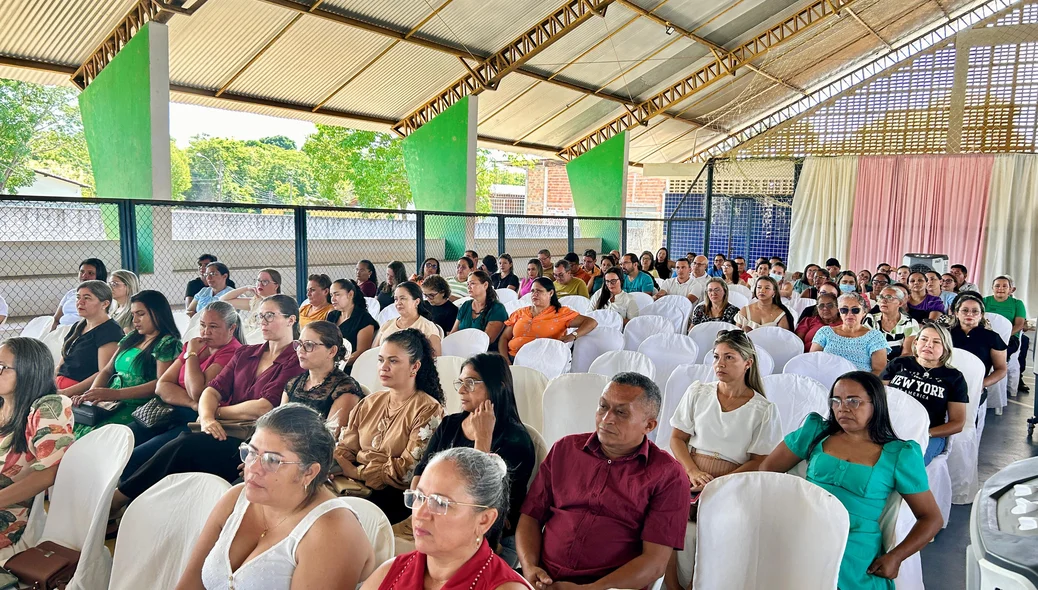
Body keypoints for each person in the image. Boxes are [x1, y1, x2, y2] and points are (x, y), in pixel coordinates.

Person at [113, 294, 305, 508]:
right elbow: (211, 391)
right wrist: (205, 417)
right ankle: (138, 505)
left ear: (291, 320)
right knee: (169, 445)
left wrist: (216, 413)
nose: (263, 322)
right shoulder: (247, 353)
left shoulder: (296, 359)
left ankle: (120, 499)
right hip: (221, 429)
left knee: (183, 446)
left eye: (270, 315)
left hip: (253, 440)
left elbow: (263, 407)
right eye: (260, 316)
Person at [760, 372, 943, 590]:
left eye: (853, 401)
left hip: (854, 548)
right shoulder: (817, 432)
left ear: (876, 404)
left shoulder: (899, 454)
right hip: (805, 532)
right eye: (836, 401)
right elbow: (768, 472)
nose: (842, 408)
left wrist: (896, 556)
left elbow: (931, 518)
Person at [517, 373, 688, 589]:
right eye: (603, 407)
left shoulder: (667, 475)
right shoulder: (565, 449)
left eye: (621, 412)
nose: (606, 419)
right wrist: (530, 568)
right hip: (543, 579)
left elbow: (654, 563)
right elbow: (530, 516)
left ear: (649, 425)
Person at [177, 403, 375, 590]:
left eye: (272, 460)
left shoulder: (333, 530)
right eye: (251, 452)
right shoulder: (236, 498)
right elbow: (188, 585)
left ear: (309, 472)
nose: (252, 468)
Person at [665, 330, 782, 588]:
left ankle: (702, 583)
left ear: (747, 362)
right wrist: (693, 471)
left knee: (715, 526)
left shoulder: (762, 409)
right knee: (663, 516)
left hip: (734, 480)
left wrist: (719, 483)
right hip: (690, 472)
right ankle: (671, 584)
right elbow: (677, 439)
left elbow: (759, 461)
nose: (720, 364)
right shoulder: (698, 392)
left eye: (730, 357)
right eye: (717, 357)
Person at [405, 354, 535, 560]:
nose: (462, 390)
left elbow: (486, 504)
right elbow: (422, 472)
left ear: (498, 387)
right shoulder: (450, 424)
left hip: (489, 536)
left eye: (471, 383)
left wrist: (483, 439)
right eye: (461, 382)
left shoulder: (516, 440)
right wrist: (420, 507)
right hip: (433, 518)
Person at [362, 448, 528, 590]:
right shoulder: (392, 572)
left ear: (484, 520)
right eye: (419, 497)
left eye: (440, 503)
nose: (420, 513)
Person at [121, 301, 243, 481]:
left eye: (213, 327)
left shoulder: (231, 352)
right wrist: (195, 404)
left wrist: (192, 356)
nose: (205, 332)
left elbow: (198, 391)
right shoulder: (194, 345)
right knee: (121, 446)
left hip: (193, 420)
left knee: (137, 457)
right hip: (171, 411)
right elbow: (162, 386)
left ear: (231, 328)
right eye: (202, 325)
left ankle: (126, 502)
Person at [336, 329, 445, 523]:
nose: (383, 367)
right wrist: (339, 463)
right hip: (353, 486)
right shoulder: (370, 402)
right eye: (380, 360)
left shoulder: (428, 409)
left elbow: (409, 471)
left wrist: (356, 471)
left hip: (395, 497)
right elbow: (346, 449)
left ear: (415, 367)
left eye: (393, 361)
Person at [0, 338, 75, 562]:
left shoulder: (49, 407)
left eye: (2, 367)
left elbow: (50, 472)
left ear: (28, 370)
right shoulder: (3, 406)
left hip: (10, 513)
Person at [72, 290, 182, 436]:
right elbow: (107, 370)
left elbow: (161, 384)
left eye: (141, 314)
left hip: (137, 407)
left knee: (96, 436)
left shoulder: (166, 344)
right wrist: (90, 395)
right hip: (110, 402)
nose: (135, 320)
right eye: (133, 314)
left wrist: (115, 394)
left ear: (157, 313)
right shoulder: (131, 338)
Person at [881, 323, 968, 465]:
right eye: (924, 339)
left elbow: (957, 423)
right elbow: (877, 397)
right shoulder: (899, 364)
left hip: (929, 434)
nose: (928, 345)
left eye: (936, 342)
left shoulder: (954, 378)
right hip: (889, 427)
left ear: (945, 348)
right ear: (915, 342)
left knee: (907, 465)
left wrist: (924, 433)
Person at [283, 321, 365, 436]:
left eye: (309, 345)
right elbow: (278, 423)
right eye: (299, 344)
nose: (300, 350)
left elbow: (329, 438)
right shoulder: (293, 383)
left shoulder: (345, 389)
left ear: (332, 351)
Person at [500, 278, 597, 360]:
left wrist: (572, 335)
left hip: (543, 361)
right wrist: (505, 360)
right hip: (513, 358)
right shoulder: (520, 312)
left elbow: (591, 322)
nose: (534, 294)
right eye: (533, 291)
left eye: (539, 291)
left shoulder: (560, 313)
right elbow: (504, 338)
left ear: (550, 293)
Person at [55, 280, 124, 397]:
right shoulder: (78, 326)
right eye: (78, 297)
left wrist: (66, 392)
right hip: (59, 386)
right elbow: (61, 364)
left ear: (105, 304)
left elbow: (103, 373)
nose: (80, 302)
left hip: (78, 391)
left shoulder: (110, 331)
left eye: (87, 298)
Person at [811, 293, 889, 374]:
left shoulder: (875, 337)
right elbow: (812, 362)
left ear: (864, 312)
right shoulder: (825, 332)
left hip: (861, 383)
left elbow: (880, 371)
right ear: (839, 312)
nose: (849, 314)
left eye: (855, 310)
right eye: (844, 310)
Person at [947, 293, 1008, 393]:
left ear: (981, 315)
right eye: (965, 310)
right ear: (956, 313)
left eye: (975, 311)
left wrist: (981, 384)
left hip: (975, 387)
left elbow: (1001, 369)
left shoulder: (992, 337)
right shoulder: (946, 334)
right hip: (946, 384)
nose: (969, 314)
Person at [377, 282, 444, 356]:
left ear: (417, 302)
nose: (398, 303)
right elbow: (372, 353)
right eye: (396, 299)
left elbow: (436, 360)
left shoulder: (427, 327)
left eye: (403, 298)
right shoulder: (387, 324)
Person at [327, 279, 379, 370]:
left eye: (337, 294)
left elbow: (361, 352)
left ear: (350, 294)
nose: (333, 299)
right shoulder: (332, 316)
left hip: (351, 368)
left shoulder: (364, 320)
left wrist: (337, 364)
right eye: (331, 295)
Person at [451, 271, 507, 348]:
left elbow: (487, 340)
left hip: (483, 353)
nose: (469, 286)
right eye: (468, 284)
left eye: (472, 283)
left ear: (485, 285)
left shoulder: (497, 309)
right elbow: (453, 332)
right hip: (461, 347)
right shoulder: (466, 305)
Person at [221, 268, 282, 334]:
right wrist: (246, 288)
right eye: (258, 281)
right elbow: (224, 300)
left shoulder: (281, 303)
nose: (260, 284)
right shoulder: (256, 301)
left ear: (276, 286)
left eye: (265, 282)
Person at [52, 258, 107, 328]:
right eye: (82, 272)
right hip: (60, 330)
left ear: (99, 275)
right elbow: (56, 319)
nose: (84, 276)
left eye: (90, 273)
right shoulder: (71, 293)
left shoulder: (104, 295)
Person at [864, 287, 919, 358]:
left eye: (889, 297)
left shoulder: (910, 323)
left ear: (900, 303)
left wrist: (890, 367)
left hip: (897, 365)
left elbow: (907, 353)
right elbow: (864, 347)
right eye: (881, 297)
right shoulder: (871, 319)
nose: (883, 301)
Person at [985, 275, 1027, 358]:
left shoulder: (1017, 303)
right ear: (992, 288)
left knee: (998, 355)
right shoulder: (984, 301)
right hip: (987, 336)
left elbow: (1019, 324)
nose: (1000, 288)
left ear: (1010, 289)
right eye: (997, 286)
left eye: (1005, 286)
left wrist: (1004, 336)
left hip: (1010, 337)